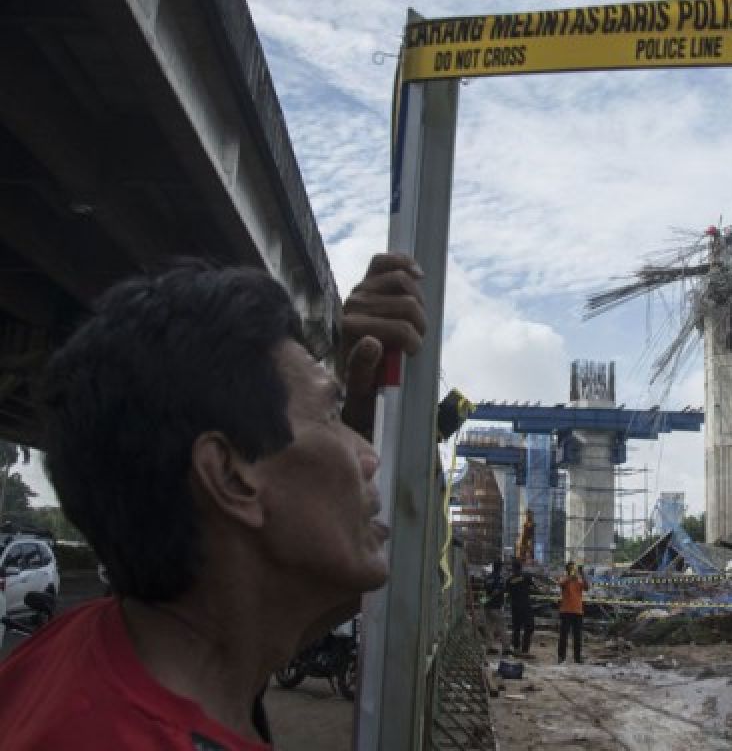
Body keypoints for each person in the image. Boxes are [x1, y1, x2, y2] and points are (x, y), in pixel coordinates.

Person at [0, 254, 426, 749]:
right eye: (330, 414)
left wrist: (366, 402)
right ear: (229, 475)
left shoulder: (77, 656)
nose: (370, 457)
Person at [556, 561, 588, 664]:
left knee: (577, 636)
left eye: (573, 568)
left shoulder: (579, 580)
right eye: (571, 568)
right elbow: (561, 584)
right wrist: (571, 577)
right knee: (563, 636)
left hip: (577, 611)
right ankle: (561, 657)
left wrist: (582, 574)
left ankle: (577, 658)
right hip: (566, 611)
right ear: (568, 570)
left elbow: (587, 587)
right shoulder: (564, 578)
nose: (573, 570)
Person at [506, 558, 535, 656]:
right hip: (525, 606)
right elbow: (534, 587)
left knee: (516, 628)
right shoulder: (526, 576)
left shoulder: (509, 580)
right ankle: (525, 650)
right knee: (529, 627)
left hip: (515, 606)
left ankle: (516, 649)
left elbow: (508, 591)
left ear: (513, 568)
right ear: (521, 567)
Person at [482, 560, 511, 656]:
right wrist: (493, 597)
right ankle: (506, 648)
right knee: (501, 627)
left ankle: (489, 647)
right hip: (496, 607)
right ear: (500, 568)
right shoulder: (500, 578)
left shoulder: (488, 578)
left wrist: (484, 601)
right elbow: (497, 591)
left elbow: (485, 592)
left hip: (487, 606)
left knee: (489, 627)